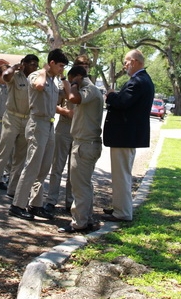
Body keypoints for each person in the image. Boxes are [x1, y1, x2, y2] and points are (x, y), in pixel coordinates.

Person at [9, 48, 70, 220]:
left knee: (44, 168)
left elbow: (68, 94)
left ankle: (35, 205)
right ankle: (17, 205)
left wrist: (62, 77)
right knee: (32, 166)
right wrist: (44, 70)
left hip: (50, 125)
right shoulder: (37, 75)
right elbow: (39, 86)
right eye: (60, 66)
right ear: (51, 63)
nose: (61, 69)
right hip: (37, 123)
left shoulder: (55, 80)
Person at [102, 49, 154, 222]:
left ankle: (122, 212)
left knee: (121, 175)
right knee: (122, 174)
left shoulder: (138, 81)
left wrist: (111, 95)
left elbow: (123, 102)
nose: (124, 66)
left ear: (134, 61)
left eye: (126, 62)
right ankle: (120, 206)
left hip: (124, 136)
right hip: (127, 136)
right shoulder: (142, 80)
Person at [0, 54, 40, 200]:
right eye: (31, 64)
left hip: (27, 120)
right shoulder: (15, 76)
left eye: (36, 64)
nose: (34, 67)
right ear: (24, 64)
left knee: (19, 159)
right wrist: (14, 67)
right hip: (12, 118)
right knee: (3, 155)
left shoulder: (35, 79)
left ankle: (12, 190)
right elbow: (5, 76)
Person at [57, 64, 104, 233]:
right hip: (86, 143)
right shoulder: (90, 90)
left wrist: (74, 83)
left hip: (85, 144)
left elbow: (73, 98)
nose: (71, 85)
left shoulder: (89, 89)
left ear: (78, 77)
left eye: (72, 80)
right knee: (84, 184)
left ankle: (79, 222)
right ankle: (86, 218)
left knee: (79, 186)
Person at [44, 55, 91, 215]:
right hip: (64, 128)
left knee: (74, 169)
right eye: (81, 64)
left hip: (80, 130)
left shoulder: (89, 86)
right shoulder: (64, 83)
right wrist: (65, 111)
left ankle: (70, 202)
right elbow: (52, 103)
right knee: (57, 166)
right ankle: (51, 200)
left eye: (87, 65)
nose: (84, 67)